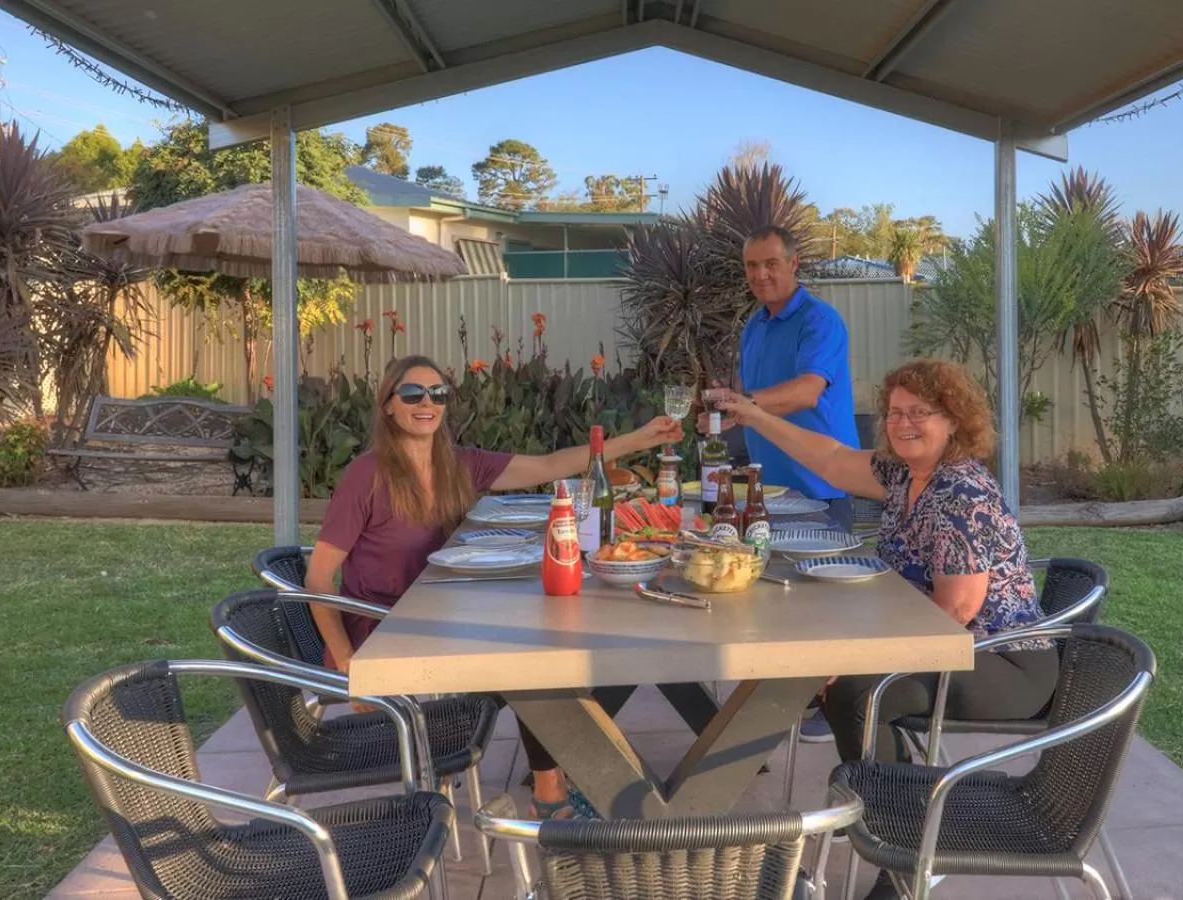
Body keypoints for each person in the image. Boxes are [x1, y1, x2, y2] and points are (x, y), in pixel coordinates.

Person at [305, 354, 684, 821]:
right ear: (388, 406)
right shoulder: (367, 475)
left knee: (544, 653)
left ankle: (558, 779)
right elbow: (318, 579)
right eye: (412, 393)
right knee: (532, 667)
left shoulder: (457, 464)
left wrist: (644, 437)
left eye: (438, 394)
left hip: (440, 614)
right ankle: (553, 795)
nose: (427, 402)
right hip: (387, 634)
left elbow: (548, 465)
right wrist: (347, 663)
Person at [713, 359, 1058, 769]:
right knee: (811, 656)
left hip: (997, 660)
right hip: (950, 646)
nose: (903, 422)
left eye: (919, 412)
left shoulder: (962, 494)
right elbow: (831, 459)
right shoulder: (904, 474)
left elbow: (957, 609)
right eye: (895, 412)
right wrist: (755, 415)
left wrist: (863, 655)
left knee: (858, 693)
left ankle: (892, 816)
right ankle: (888, 793)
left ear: (954, 421)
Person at [717, 224, 863, 743]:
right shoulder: (754, 326)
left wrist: (744, 405)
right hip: (766, 493)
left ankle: (829, 704)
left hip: (819, 488)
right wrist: (725, 413)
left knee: (818, 609)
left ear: (794, 263)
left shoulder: (821, 321)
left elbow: (804, 392)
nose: (760, 274)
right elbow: (754, 400)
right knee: (769, 606)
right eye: (752, 266)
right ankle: (770, 708)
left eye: (770, 264)